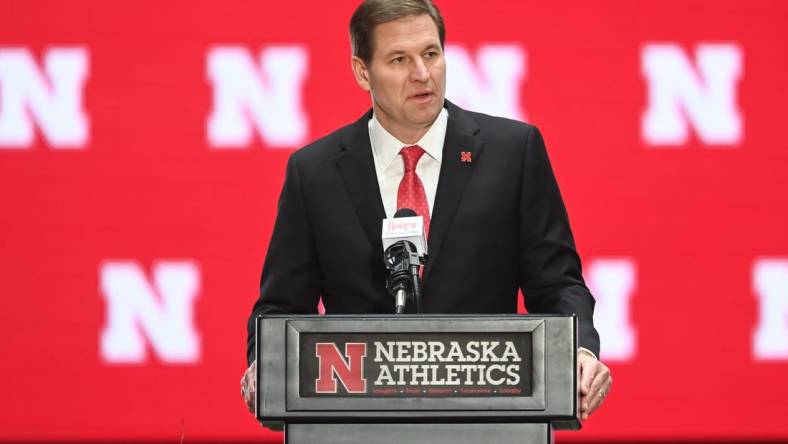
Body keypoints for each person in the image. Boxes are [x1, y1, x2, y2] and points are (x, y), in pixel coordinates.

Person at [241, 0, 612, 422]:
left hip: (489, 417)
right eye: (399, 59)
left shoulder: (513, 153)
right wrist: (264, 365)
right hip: (358, 423)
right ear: (363, 72)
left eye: (431, 54)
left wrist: (579, 350)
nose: (422, 74)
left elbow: (558, 283)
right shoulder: (315, 173)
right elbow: (280, 308)